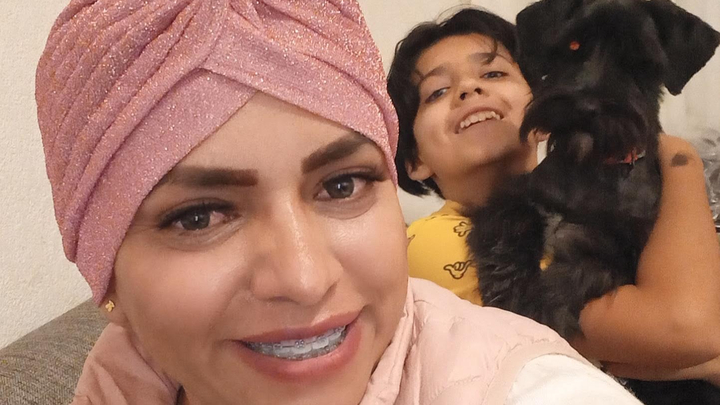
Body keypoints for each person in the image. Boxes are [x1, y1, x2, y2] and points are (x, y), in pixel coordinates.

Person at [33, 1, 649, 404]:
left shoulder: (528, 386)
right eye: (198, 217)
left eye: (342, 185)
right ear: (105, 277)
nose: (305, 280)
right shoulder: (115, 382)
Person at [387, 7, 720, 382]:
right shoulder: (424, 244)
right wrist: (680, 158)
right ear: (413, 159)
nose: (469, 89)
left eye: (494, 74)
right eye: (437, 92)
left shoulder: (631, 198)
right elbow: (688, 329)